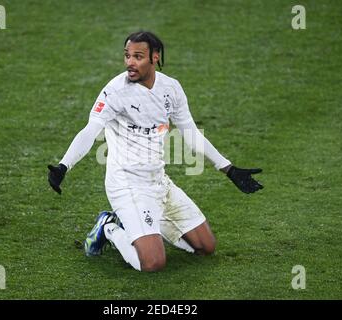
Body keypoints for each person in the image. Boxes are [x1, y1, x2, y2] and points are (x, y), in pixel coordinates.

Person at [47, 31, 263, 272]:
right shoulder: (114, 91)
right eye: (127, 55)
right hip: (127, 184)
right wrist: (64, 165)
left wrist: (229, 169)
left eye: (138, 56)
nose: (130, 62)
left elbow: (191, 133)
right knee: (152, 262)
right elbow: (90, 130)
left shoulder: (171, 88)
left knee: (206, 247)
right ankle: (108, 227)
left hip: (159, 182)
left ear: (155, 57)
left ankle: (145, 225)